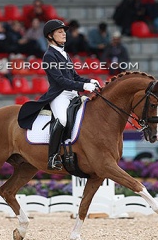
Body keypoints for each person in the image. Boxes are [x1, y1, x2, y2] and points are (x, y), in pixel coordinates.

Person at [17, 19, 99, 170]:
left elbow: (74, 77)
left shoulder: (64, 54)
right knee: (61, 119)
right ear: (50, 36)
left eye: (64, 32)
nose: (64, 34)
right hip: (59, 95)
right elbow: (61, 81)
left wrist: (90, 80)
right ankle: (52, 157)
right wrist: (83, 86)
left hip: (73, 94)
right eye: (60, 32)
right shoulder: (49, 56)